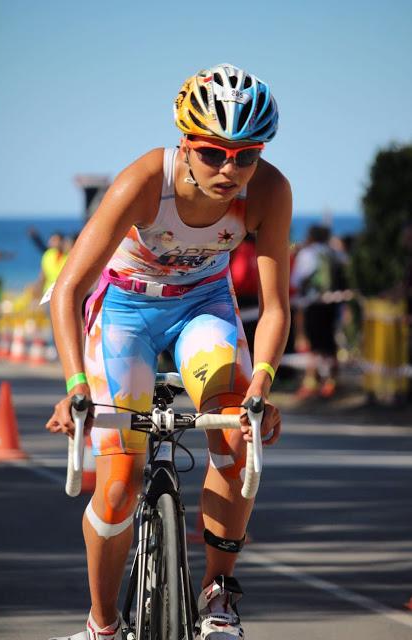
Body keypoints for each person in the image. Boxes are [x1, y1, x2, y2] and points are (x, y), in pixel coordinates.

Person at [46, 62, 292, 640]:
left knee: (235, 429)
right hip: (126, 312)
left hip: (202, 309)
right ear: (186, 142)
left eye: (246, 155)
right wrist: (74, 388)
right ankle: (102, 625)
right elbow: (68, 290)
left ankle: (218, 595)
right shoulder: (142, 182)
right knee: (117, 481)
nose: (231, 169)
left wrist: (261, 386)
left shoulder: (270, 191)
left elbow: (277, 306)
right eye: (213, 153)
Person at [290, 225, 344, 398]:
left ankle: (311, 380)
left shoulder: (308, 254)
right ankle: (331, 381)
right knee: (330, 342)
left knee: (313, 344)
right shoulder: (334, 252)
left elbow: (297, 279)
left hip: (312, 302)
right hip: (333, 301)